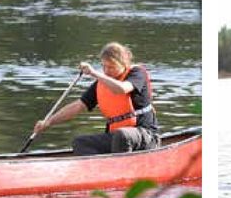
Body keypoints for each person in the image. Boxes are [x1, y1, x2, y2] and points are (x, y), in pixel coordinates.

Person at [31, 43, 159, 156]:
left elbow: (122, 89)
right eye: (104, 66)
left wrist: (93, 73)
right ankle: (99, 170)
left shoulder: (136, 73)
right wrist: (49, 122)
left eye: (111, 67)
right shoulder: (101, 84)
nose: (106, 71)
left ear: (124, 64)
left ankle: (119, 171)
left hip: (145, 136)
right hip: (118, 140)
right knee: (80, 142)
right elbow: (78, 106)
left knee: (122, 135)